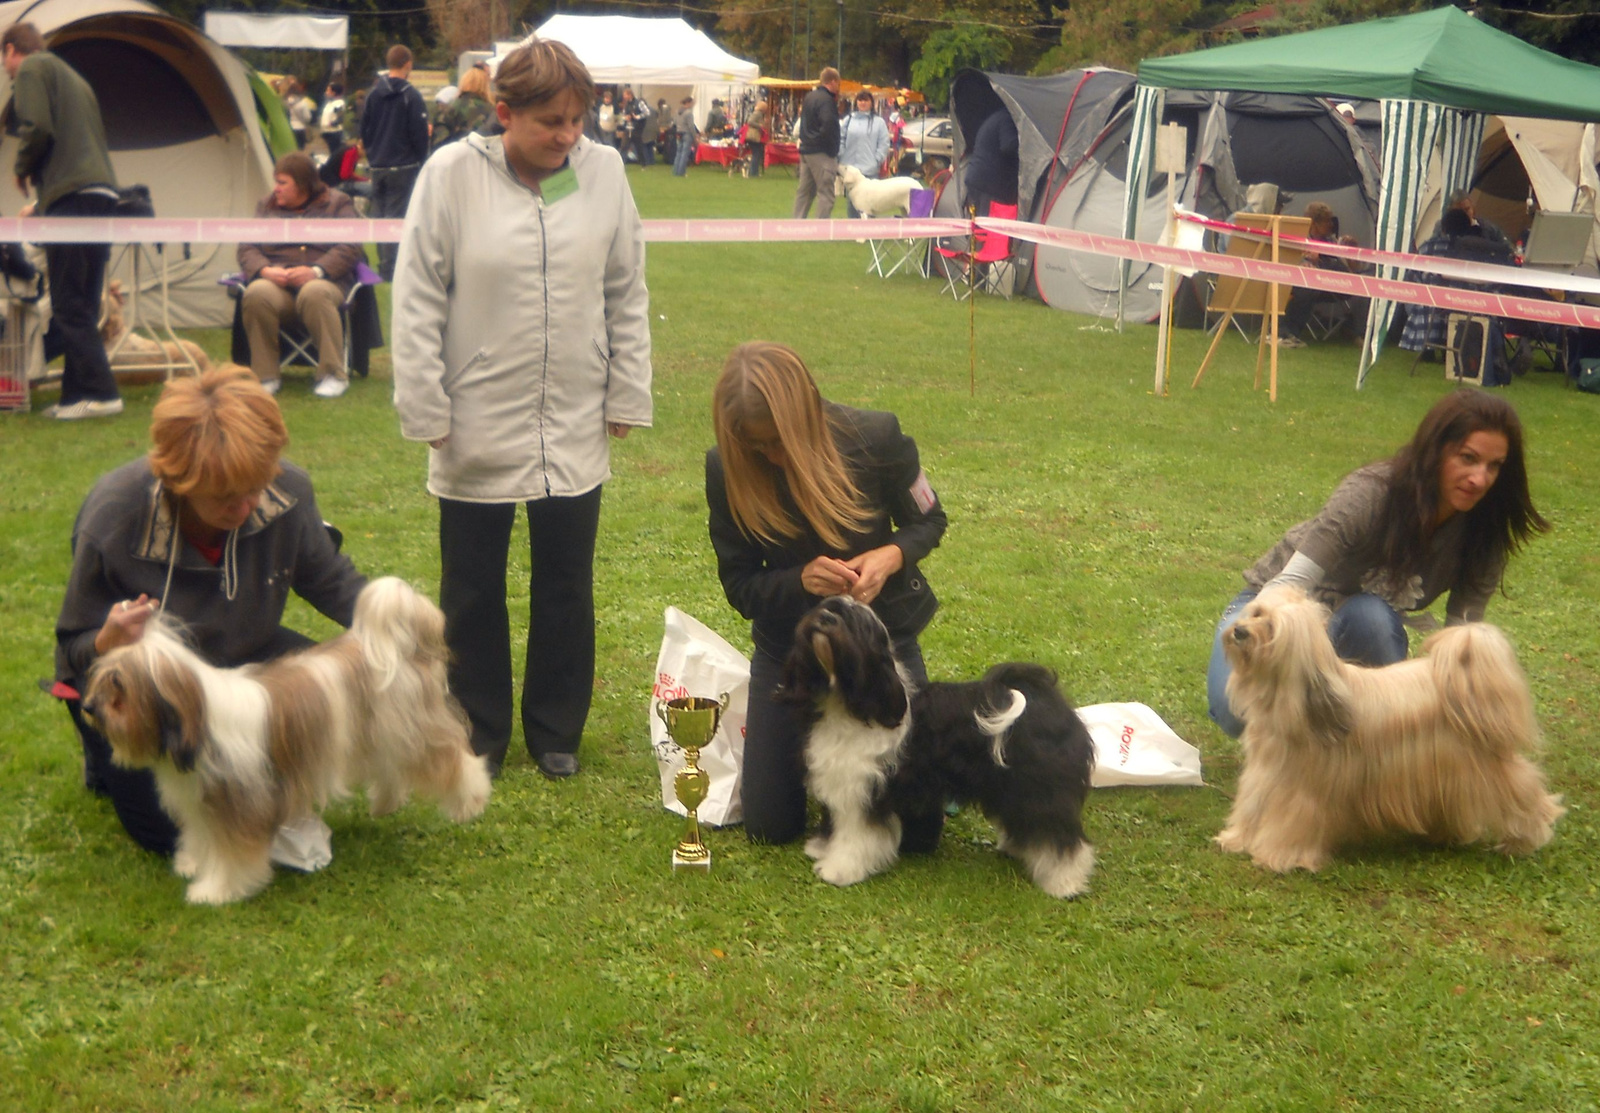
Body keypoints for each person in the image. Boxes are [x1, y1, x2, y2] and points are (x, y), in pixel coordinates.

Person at [392, 39, 652, 781]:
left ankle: (555, 728)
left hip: (573, 412)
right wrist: (426, 405)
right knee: (471, 588)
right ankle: (477, 729)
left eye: (578, 120)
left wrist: (627, 387)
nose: (568, 136)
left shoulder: (602, 173)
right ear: (503, 113)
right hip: (475, 412)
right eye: (550, 122)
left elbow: (625, 288)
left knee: (567, 580)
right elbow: (415, 298)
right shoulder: (449, 177)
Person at [56, 365, 368, 855]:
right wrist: (105, 641)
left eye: (256, 487)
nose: (245, 507)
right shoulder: (114, 517)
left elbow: (330, 581)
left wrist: (395, 625)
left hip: (243, 659)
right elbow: (71, 649)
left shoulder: (288, 492)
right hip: (152, 697)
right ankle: (103, 757)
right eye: (224, 498)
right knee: (174, 834)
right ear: (179, 479)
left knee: (341, 701)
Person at [705, 341, 947, 846]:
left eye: (777, 442)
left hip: (880, 647)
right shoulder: (725, 470)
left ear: (804, 415)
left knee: (920, 832)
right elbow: (740, 584)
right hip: (789, 654)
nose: (770, 456)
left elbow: (929, 519)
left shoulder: (877, 437)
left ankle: (856, 774)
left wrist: (892, 555)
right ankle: (832, 772)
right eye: (756, 448)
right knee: (769, 827)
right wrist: (798, 582)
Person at [1205, 389, 1549, 738]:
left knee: (1372, 618)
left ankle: (1368, 750)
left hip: (1360, 620)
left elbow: (1462, 640)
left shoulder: (1484, 530)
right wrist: (1273, 640)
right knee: (1238, 714)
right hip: (1274, 613)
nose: (1480, 479)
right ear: (1435, 451)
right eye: (1468, 458)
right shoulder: (1370, 493)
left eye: (1494, 466)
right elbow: (1288, 585)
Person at [4, 21, 123, 421]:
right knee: (85, 301)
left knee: (69, 301)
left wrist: (22, 168)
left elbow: (37, 127)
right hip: (102, 193)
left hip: (71, 199)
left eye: (4, 61)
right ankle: (76, 397)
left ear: (10, 51)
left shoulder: (33, 68)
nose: (6, 72)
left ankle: (103, 393)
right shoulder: (73, 77)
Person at [236, 151, 365, 398]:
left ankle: (332, 374)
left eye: (282, 183)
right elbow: (247, 246)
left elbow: (352, 244)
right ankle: (265, 376)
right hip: (279, 288)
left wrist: (317, 270)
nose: (276, 189)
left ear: (304, 184)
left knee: (314, 291)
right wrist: (265, 270)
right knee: (257, 292)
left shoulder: (338, 203)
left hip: (326, 283)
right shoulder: (265, 206)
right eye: (276, 182)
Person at [359, 44, 430, 281]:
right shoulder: (411, 95)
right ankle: (391, 271)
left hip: (378, 165)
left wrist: (373, 153)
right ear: (408, 64)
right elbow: (418, 134)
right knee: (396, 220)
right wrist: (423, 160)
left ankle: (384, 266)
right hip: (404, 166)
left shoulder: (372, 95)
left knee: (380, 219)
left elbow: (364, 130)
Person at [1279, 201, 1356, 348]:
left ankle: (1354, 331)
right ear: (1314, 223)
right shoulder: (1298, 238)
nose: (1331, 224)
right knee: (1307, 290)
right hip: (1299, 283)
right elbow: (1287, 259)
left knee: (1340, 282)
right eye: (1327, 221)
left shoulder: (1331, 241)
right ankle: (1287, 333)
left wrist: (1350, 254)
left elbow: (1347, 272)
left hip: (1330, 285)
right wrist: (1303, 262)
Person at [793, 67, 842, 219]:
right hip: (821, 151)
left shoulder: (809, 97)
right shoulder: (827, 100)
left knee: (804, 191)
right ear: (833, 82)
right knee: (826, 192)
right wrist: (831, 147)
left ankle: (795, 224)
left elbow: (804, 122)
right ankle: (821, 228)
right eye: (838, 83)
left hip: (806, 149)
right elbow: (828, 124)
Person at [837, 90, 890, 217]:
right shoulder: (848, 120)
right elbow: (841, 138)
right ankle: (853, 229)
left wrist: (876, 160)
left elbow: (884, 144)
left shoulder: (879, 122)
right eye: (860, 100)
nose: (863, 103)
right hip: (850, 168)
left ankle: (870, 231)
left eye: (866, 100)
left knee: (871, 202)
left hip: (869, 169)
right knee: (853, 201)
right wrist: (842, 155)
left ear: (871, 103)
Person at [963, 107, 1019, 217]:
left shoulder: (996, 118)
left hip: (977, 179)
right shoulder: (1007, 119)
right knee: (990, 228)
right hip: (989, 184)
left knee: (979, 225)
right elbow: (1008, 146)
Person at [431, 63, 494, 154]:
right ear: (485, 85)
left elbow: (438, 142)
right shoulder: (491, 110)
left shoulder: (449, 107)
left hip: (452, 160)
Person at [744, 94, 770, 178]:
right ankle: (753, 172)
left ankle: (754, 172)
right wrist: (760, 126)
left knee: (756, 153)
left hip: (752, 137)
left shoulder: (758, 113)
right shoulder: (758, 113)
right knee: (756, 154)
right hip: (753, 136)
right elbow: (750, 121)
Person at [672, 96, 698, 177]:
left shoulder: (677, 111)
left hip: (679, 133)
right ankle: (681, 172)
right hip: (687, 133)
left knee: (678, 153)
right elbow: (691, 126)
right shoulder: (689, 113)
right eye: (691, 103)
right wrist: (695, 136)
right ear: (688, 103)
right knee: (685, 154)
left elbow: (675, 123)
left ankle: (676, 171)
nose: (692, 104)